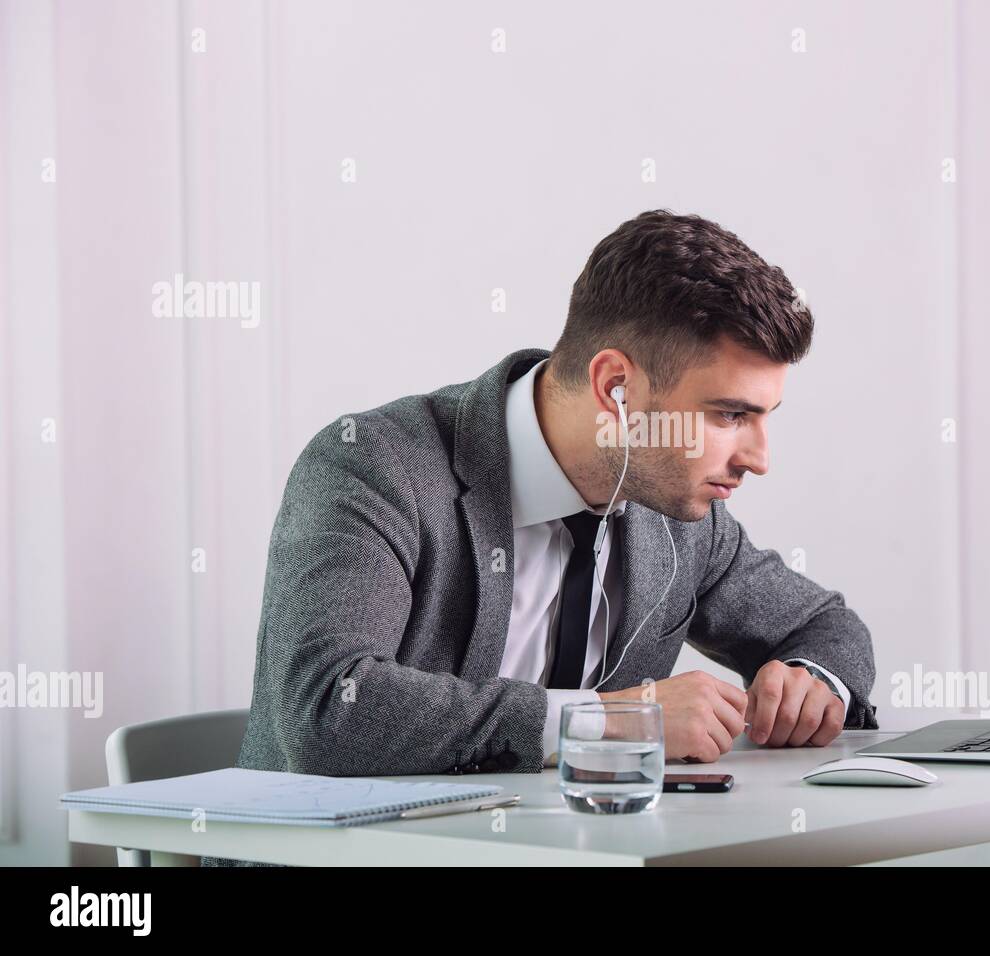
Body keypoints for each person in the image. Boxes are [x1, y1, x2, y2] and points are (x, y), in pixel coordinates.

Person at [202, 210, 877, 865]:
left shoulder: (671, 509)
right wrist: (607, 722)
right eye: (730, 415)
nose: (759, 457)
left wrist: (811, 684)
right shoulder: (376, 468)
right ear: (615, 387)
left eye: (764, 417)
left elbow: (825, 626)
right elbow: (329, 709)